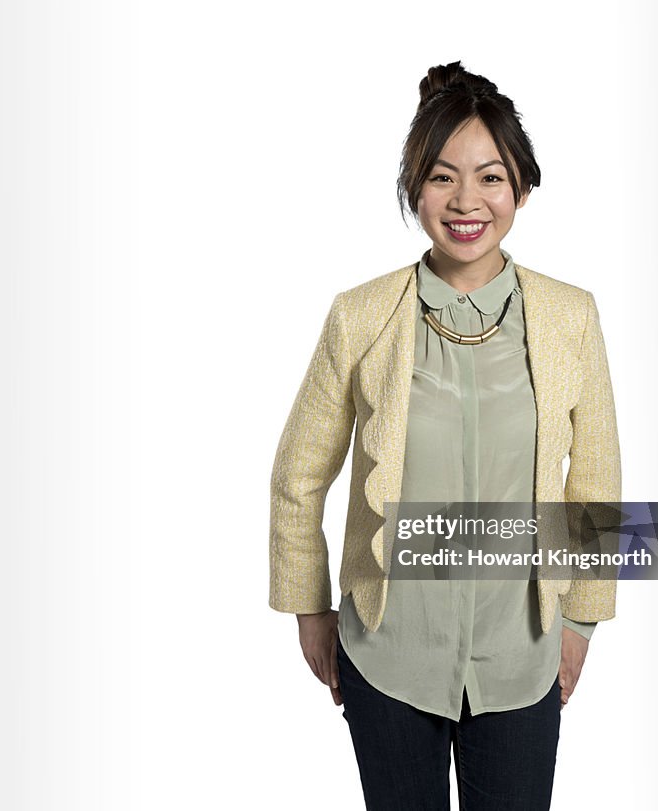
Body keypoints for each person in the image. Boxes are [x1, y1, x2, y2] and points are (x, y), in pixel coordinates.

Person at [268, 61, 621, 810]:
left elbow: (593, 482)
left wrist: (581, 618)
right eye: (441, 178)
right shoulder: (361, 316)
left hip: (522, 657)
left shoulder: (570, 317)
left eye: (491, 177)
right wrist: (309, 608)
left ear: (520, 187)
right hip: (388, 659)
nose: (467, 202)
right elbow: (299, 476)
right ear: (414, 189)